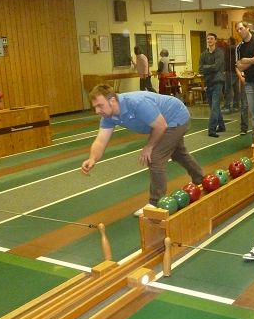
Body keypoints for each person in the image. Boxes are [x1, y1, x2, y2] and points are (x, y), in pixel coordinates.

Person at [81, 84, 204, 216]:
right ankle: (200, 179)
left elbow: (160, 126)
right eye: (95, 107)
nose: (97, 111)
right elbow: (100, 140)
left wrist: (149, 146)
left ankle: (155, 204)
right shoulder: (108, 116)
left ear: (112, 100)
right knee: (179, 154)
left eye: (100, 105)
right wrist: (92, 158)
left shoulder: (137, 103)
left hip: (176, 117)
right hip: (162, 123)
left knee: (155, 157)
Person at [199, 33, 226, 137]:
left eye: (211, 39)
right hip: (208, 82)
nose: (209, 40)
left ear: (215, 40)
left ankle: (211, 130)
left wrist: (207, 68)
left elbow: (217, 67)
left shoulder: (220, 53)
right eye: (208, 39)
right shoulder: (203, 54)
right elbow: (200, 69)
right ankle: (222, 126)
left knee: (214, 107)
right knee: (213, 107)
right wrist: (210, 68)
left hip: (218, 82)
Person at [222, 39, 240, 113]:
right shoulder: (236, 49)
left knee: (228, 90)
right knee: (236, 90)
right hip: (236, 71)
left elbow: (226, 60)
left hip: (230, 71)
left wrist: (224, 69)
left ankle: (227, 106)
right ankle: (236, 105)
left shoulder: (229, 49)